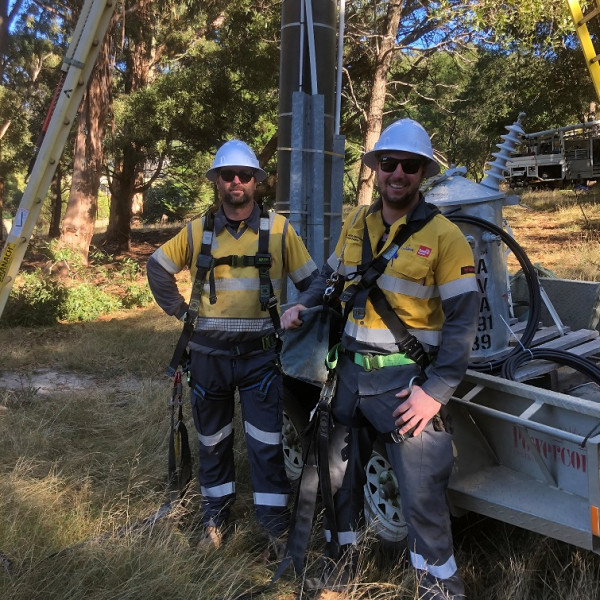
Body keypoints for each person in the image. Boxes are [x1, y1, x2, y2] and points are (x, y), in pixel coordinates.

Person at [280, 118, 479, 599]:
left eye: (410, 166)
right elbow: (329, 277)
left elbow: (463, 318)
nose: (398, 173)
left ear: (421, 174)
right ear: (377, 167)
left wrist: (435, 393)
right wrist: (302, 304)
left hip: (405, 384)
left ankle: (438, 585)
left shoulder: (446, 237)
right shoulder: (357, 223)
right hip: (347, 376)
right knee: (336, 480)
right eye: (389, 163)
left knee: (422, 493)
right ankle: (342, 564)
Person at [147, 139, 318, 553]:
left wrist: (301, 309)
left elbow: (313, 283)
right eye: (228, 176)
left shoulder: (278, 231)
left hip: (260, 359)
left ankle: (274, 528)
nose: (236, 182)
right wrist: (182, 315)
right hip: (208, 359)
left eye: (244, 175)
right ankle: (214, 520)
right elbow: (157, 265)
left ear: (257, 182)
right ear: (217, 182)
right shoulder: (198, 231)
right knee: (212, 441)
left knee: (266, 443)